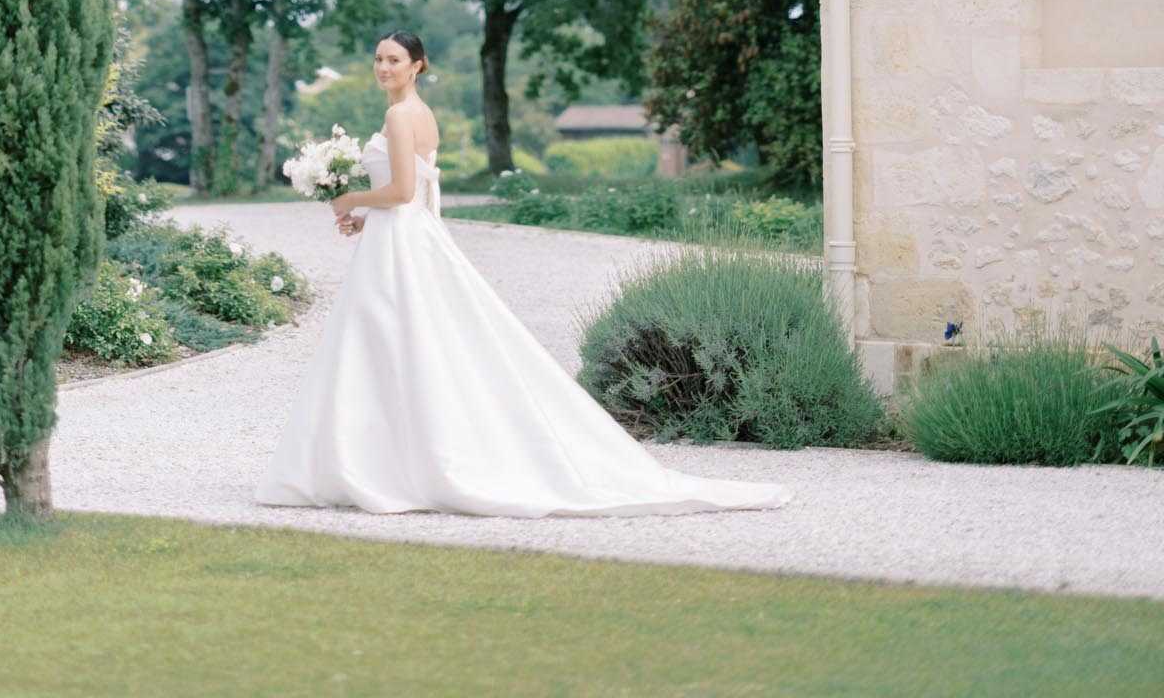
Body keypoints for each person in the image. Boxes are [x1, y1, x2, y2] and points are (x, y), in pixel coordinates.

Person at [255, 29, 792, 518]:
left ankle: (380, 464)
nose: (383, 67)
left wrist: (349, 197)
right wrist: (364, 213)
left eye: (393, 59)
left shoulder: (400, 117)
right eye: (377, 58)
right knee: (396, 346)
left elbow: (399, 192)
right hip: (401, 237)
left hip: (399, 245)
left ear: (417, 64)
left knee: (388, 344)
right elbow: (411, 194)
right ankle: (388, 461)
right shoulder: (421, 114)